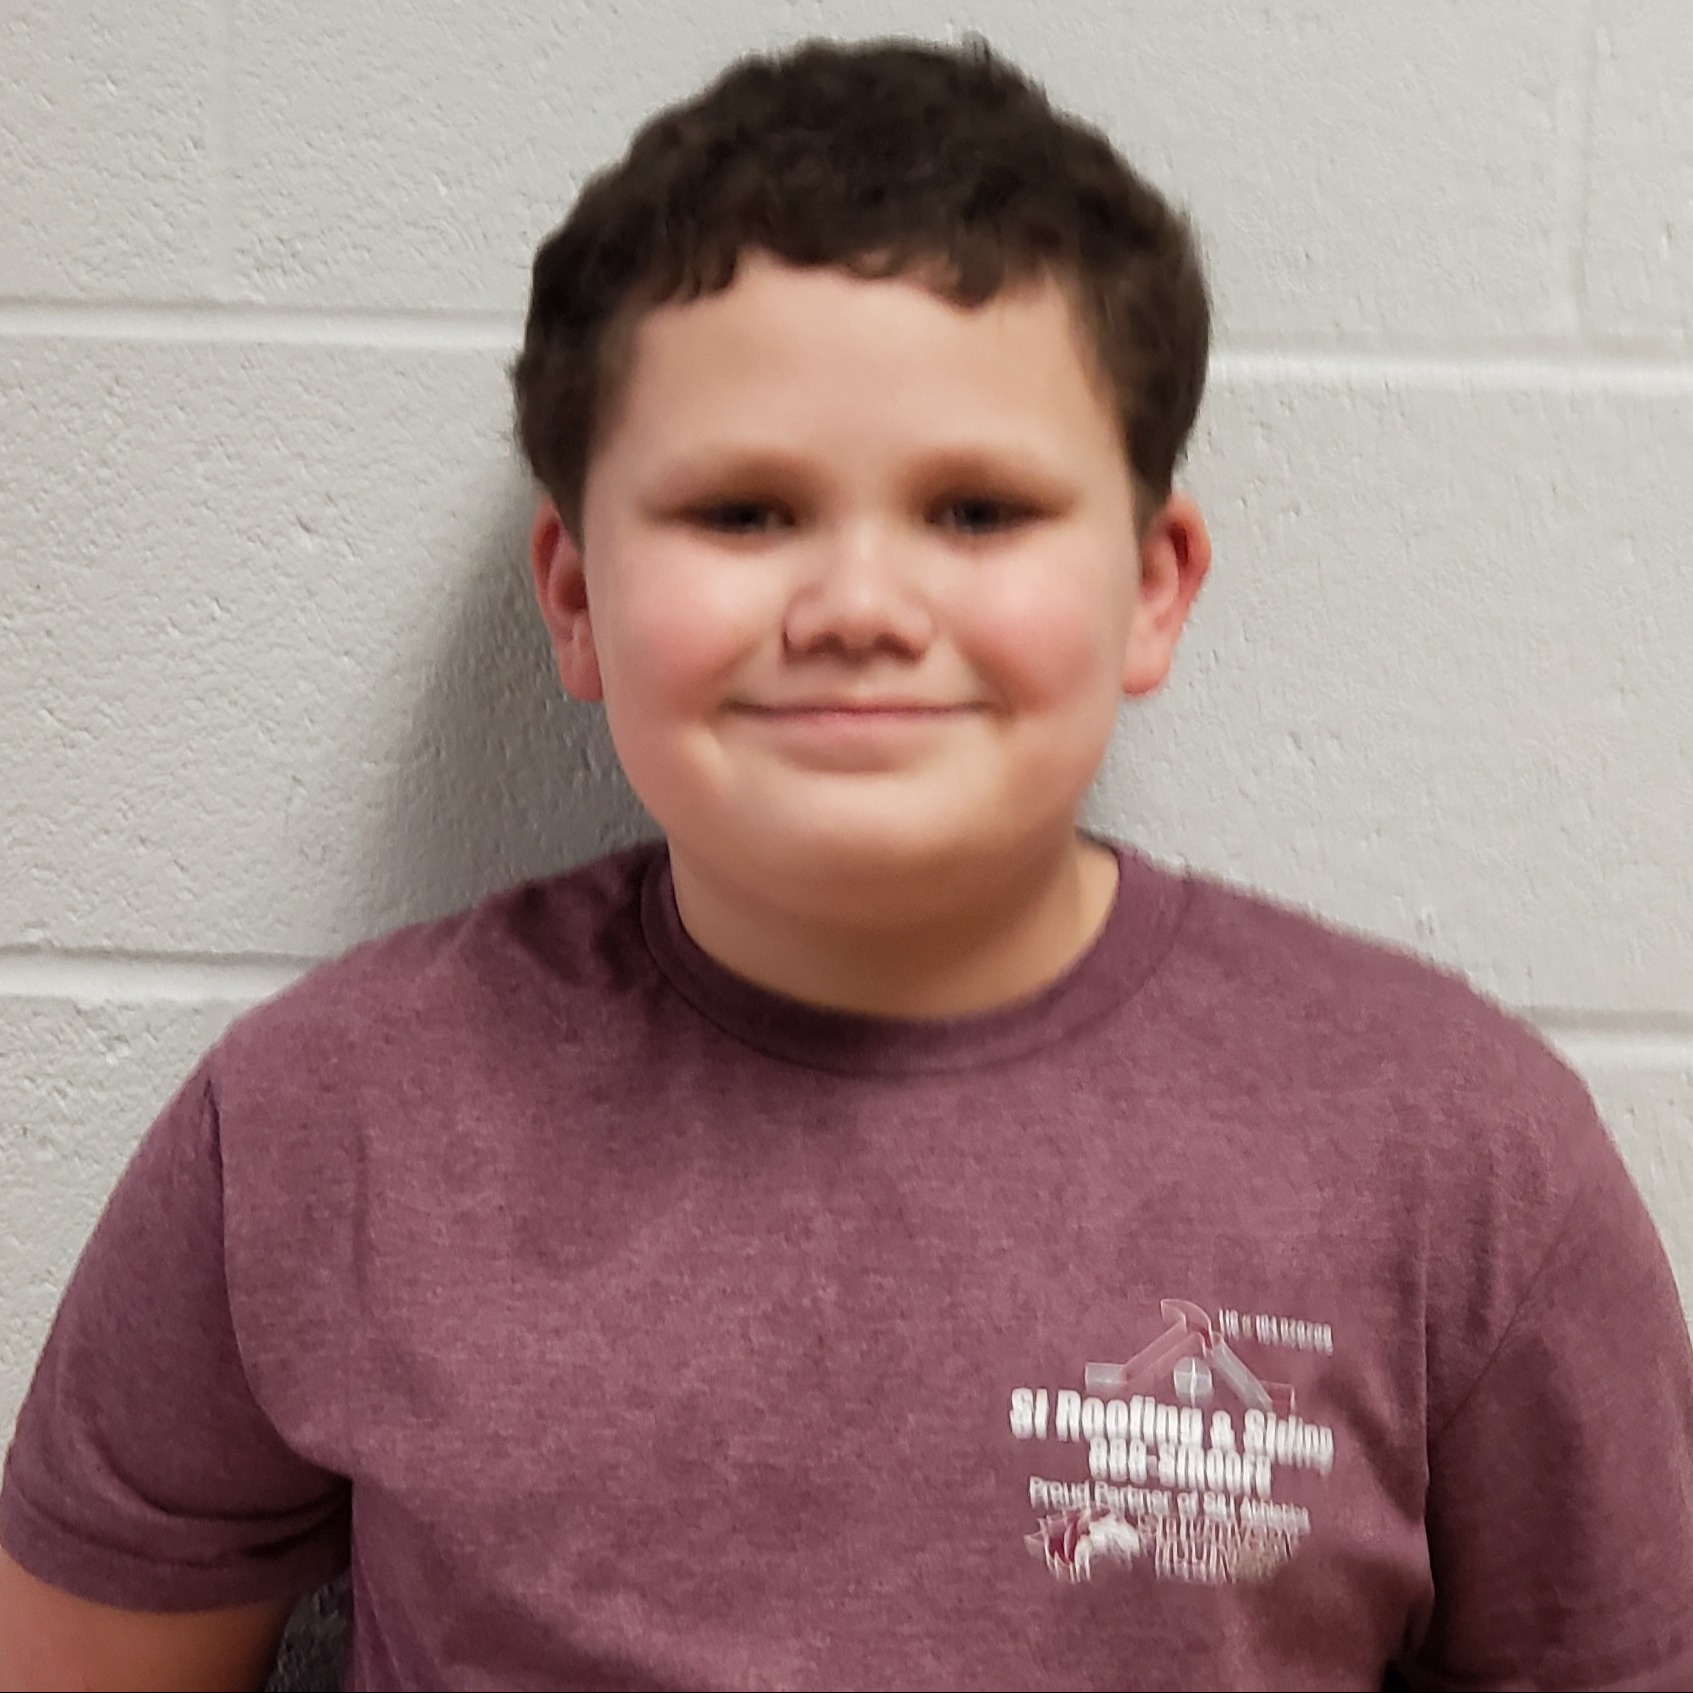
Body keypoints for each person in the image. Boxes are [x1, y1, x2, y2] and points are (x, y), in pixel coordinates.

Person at [2, 32, 1691, 1692]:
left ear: (1151, 587)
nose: (859, 607)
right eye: (744, 511)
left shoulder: (1453, 1157)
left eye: (976, 511)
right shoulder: (326, 1125)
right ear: (576, 596)